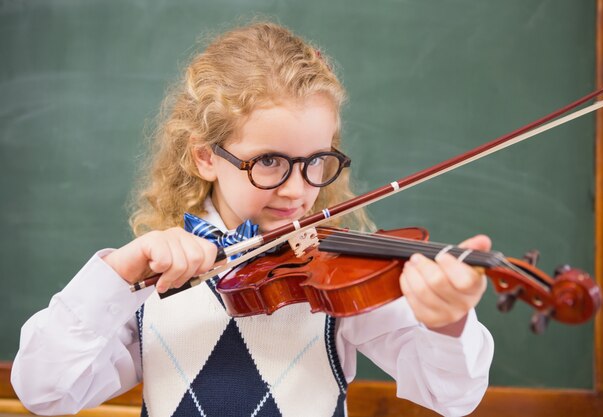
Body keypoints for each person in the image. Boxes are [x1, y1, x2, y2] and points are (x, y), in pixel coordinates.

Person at [11, 21, 494, 417]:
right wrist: (118, 272)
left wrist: (448, 323)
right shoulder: (153, 284)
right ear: (205, 157)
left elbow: (451, 396)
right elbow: (44, 391)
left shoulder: (335, 278)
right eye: (268, 161)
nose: (298, 188)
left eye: (315, 162)